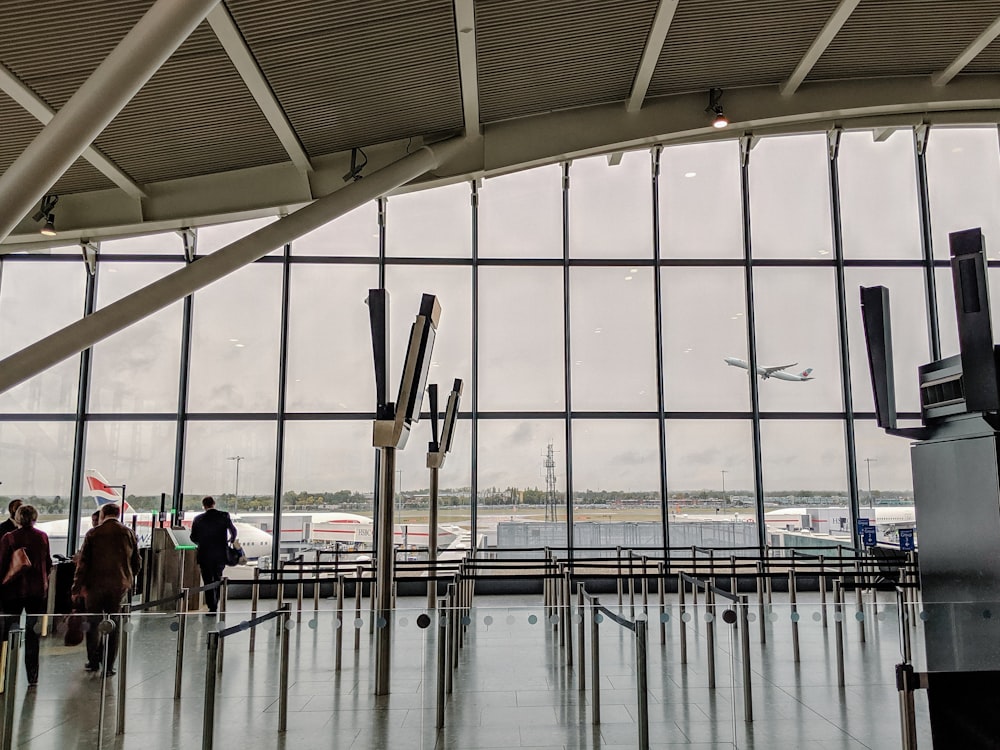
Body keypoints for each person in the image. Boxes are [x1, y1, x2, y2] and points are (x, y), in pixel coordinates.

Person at [71, 503, 140, 677]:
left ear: (103, 514)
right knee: (114, 624)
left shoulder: (93, 533)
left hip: (95, 586)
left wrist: (76, 587)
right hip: (118, 586)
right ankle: (109, 665)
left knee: (93, 624)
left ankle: (93, 661)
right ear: (118, 514)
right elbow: (137, 562)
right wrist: (128, 577)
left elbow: (83, 564)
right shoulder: (128, 533)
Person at [0, 505, 52, 686]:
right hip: (36, 593)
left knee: (8, 633)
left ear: (18, 517)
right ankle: (33, 676)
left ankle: (5, 672)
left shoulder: (9, 538)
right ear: (35, 517)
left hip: (12, 593)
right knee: (32, 634)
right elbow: (48, 562)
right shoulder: (42, 537)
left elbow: (2, 565)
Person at [189, 497, 237, 614]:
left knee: (207, 581)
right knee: (217, 578)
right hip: (220, 554)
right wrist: (230, 540)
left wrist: (202, 542)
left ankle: (212, 606)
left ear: (203, 505)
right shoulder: (224, 516)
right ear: (214, 504)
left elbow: (193, 537)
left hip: (204, 554)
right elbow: (233, 531)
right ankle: (217, 600)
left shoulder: (198, 519)